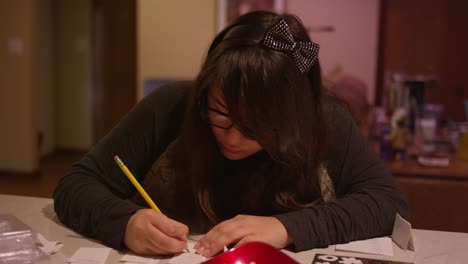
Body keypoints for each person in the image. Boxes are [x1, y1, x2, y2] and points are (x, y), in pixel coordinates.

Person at [54, 11, 409, 258]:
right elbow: (76, 184)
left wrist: (287, 228)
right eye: (220, 115)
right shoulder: (172, 106)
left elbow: (387, 205)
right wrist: (125, 222)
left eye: (257, 128)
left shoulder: (325, 119)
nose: (233, 138)